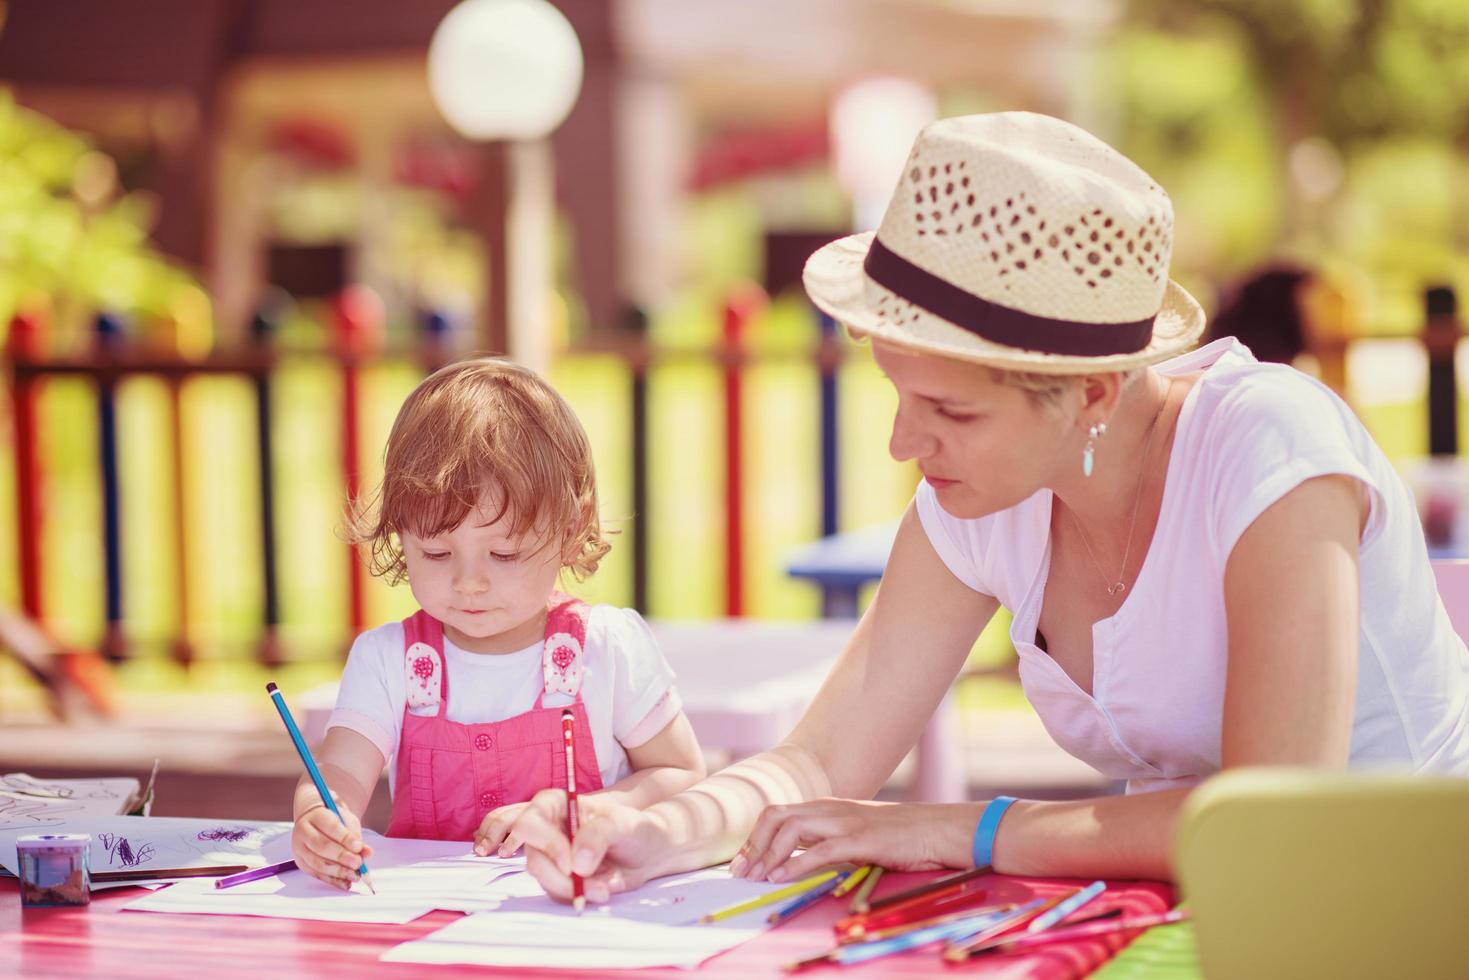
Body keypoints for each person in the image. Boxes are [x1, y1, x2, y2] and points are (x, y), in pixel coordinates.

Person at [509, 111, 1469, 902]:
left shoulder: (1268, 446)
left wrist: (956, 826)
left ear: (1092, 390)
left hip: (1403, 915)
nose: (902, 441)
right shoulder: (987, 494)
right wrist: (657, 833)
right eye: (898, 392)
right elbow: (818, 763)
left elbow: (1266, 822)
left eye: (949, 409)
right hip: (1206, 917)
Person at [290, 357, 705, 890]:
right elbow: (339, 773)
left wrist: (577, 814)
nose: (469, 582)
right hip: (422, 922)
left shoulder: (606, 648)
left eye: (504, 554)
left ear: (570, 529)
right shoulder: (389, 660)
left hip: (580, 915)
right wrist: (321, 817)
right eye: (436, 553)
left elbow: (681, 776)